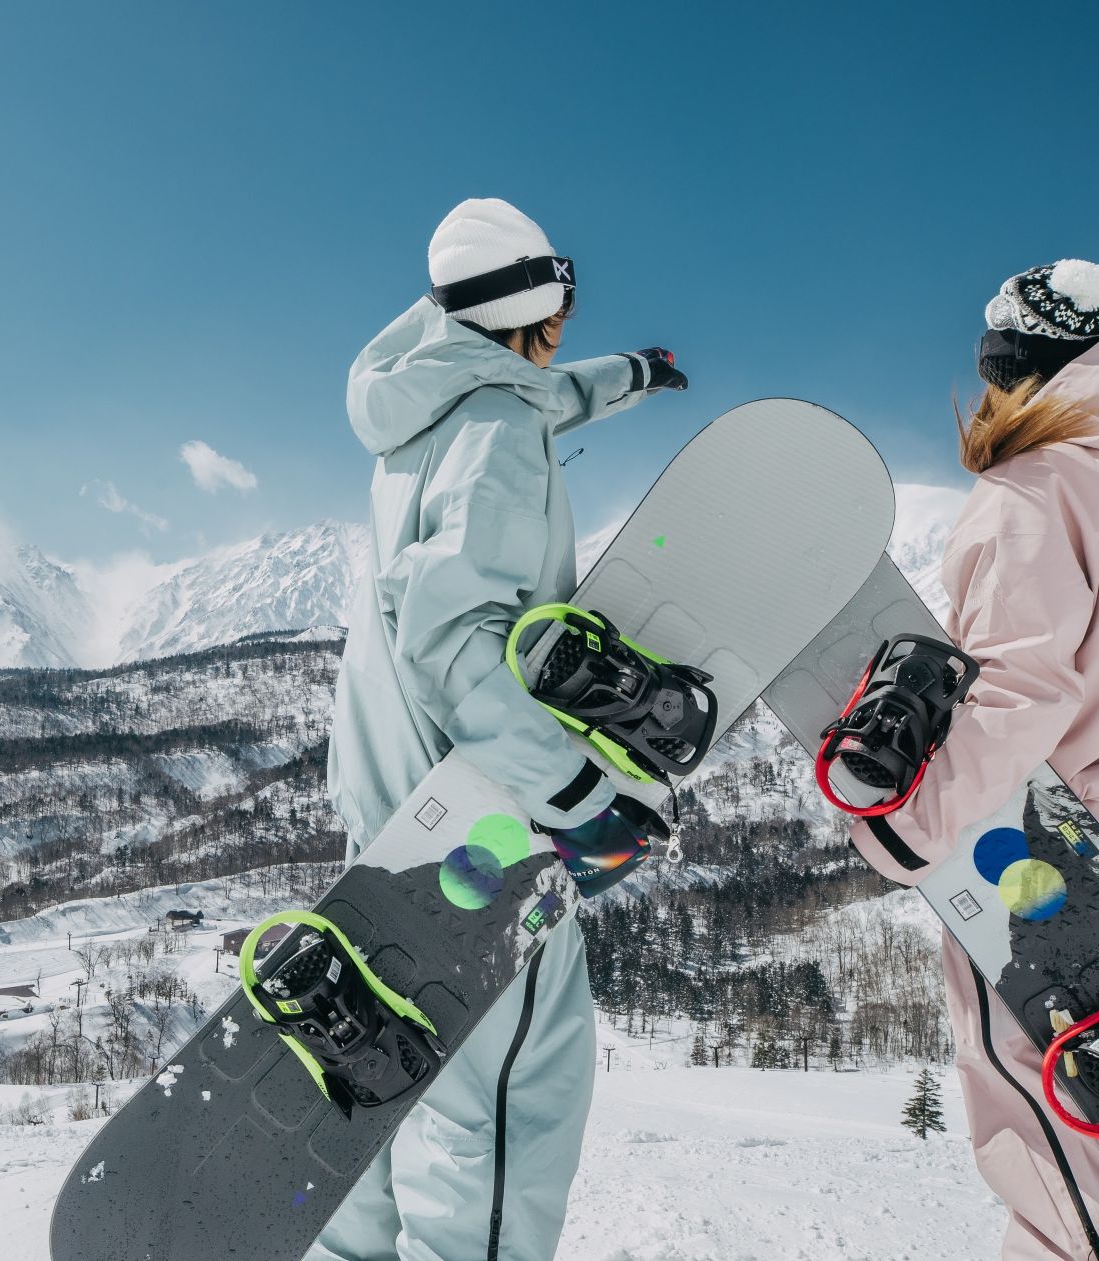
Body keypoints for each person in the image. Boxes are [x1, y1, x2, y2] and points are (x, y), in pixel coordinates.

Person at [320, 197, 687, 1261]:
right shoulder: (494, 438)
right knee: (503, 1101)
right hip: (479, 818)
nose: (565, 323)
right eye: (558, 300)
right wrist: (576, 794)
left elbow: (536, 396)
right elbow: (448, 643)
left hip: (393, 800)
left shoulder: (426, 408)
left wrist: (628, 376)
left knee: (401, 1079)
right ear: (531, 302)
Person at [844, 260, 1099, 1261]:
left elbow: (1020, 691)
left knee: (1051, 1139)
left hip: (1030, 850)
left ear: (1017, 371)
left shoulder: (1031, 490)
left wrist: (901, 827)